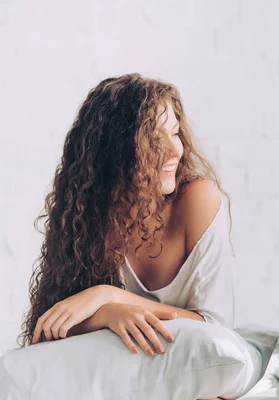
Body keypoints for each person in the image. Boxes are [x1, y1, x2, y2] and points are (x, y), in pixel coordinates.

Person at [20, 74, 234, 362]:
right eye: (154, 140)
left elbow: (216, 331)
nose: (175, 151)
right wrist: (107, 314)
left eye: (174, 133)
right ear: (116, 153)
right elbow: (50, 328)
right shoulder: (89, 216)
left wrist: (108, 296)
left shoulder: (197, 200)